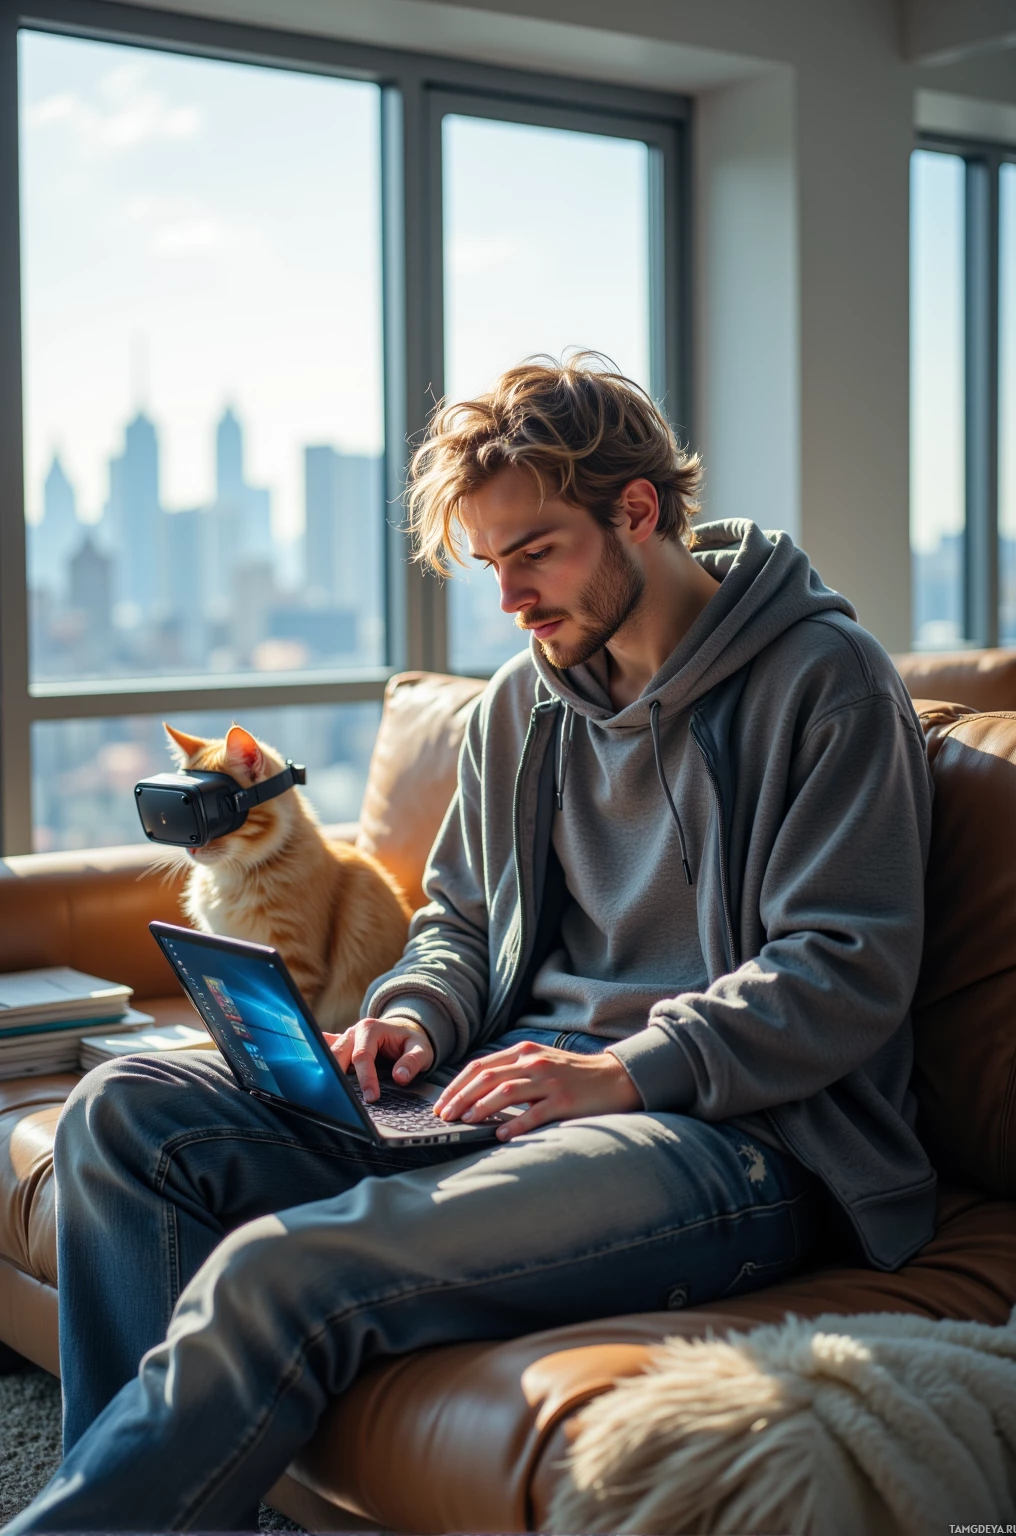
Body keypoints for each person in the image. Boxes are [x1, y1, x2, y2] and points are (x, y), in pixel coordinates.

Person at [5, 355, 936, 1533]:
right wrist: (411, 1019)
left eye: (534, 552)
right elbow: (459, 924)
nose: (509, 598)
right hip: (497, 1089)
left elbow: (843, 966)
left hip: (729, 1134)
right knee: (122, 1115)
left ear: (635, 512)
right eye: (490, 564)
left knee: (274, 1270)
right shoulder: (520, 702)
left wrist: (617, 1069)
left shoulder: (827, 683)